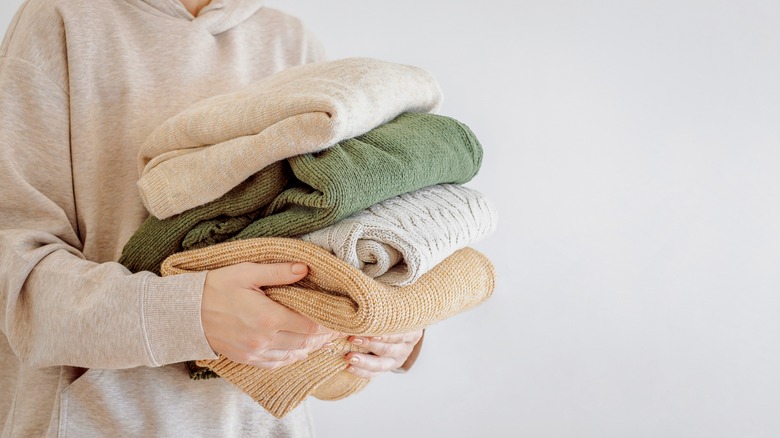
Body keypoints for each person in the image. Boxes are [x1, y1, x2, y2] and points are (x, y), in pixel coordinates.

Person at [0, 0, 423, 436]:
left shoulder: (291, 39)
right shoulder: (64, 19)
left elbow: (340, 226)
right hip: (101, 421)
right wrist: (188, 314)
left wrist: (393, 320)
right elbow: (14, 272)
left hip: (266, 423)